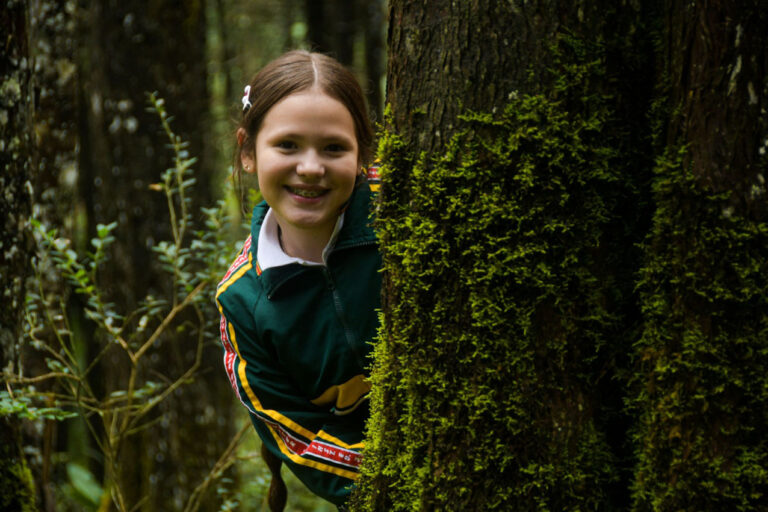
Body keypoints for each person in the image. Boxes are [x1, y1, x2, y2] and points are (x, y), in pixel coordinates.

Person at [215, 50, 381, 509]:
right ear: (247, 151)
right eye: (287, 145)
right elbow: (300, 439)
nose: (311, 167)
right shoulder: (243, 301)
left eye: (333, 148)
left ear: (363, 154)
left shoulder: (400, 213)